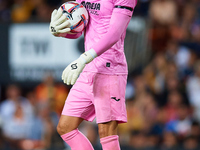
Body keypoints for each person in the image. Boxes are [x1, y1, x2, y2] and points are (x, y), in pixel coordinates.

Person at [49, 0, 137, 149]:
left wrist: (84, 58)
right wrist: (62, 31)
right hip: (89, 68)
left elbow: (115, 33)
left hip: (110, 69)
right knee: (65, 127)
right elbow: (79, 27)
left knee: (106, 132)